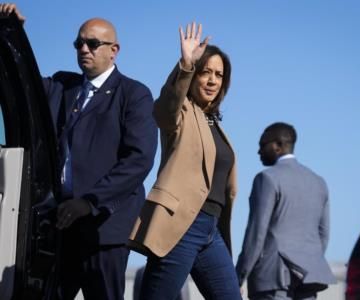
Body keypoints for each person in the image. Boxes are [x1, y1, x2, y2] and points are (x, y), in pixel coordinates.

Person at [0, 3, 158, 300]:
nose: (84, 49)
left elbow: (139, 160)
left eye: (93, 43)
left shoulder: (133, 94)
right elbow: (17, 81)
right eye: (79, 43)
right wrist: (12, 32)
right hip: (60, 227)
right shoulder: (62, 85)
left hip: (104, 230)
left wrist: (90, 202)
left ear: (114, 50)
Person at [127, 22, 242, 300]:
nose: (213, 80)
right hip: (181, 225)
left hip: (211, 230)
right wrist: (186, 64)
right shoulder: (181, 113)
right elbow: (165, 108)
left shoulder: (213, 121)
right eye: (206, 73)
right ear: (194, 77)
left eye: (219, 75)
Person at [236, 122, 336, 300]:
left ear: (278, 146)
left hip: (272, 278)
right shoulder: (318, 182)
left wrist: (238, 277)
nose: (259, 151)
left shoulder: (267, 178)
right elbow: (324, 233)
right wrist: (310, 260)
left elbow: (256, 234)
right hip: (309, 278)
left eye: (262, 145)